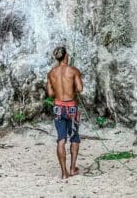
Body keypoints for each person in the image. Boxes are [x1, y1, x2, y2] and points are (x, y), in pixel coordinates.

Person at [47, 47, 83, 179]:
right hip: (71, 108)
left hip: (58, 108)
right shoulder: (73, 71)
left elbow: (50, 93)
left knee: (61, 139)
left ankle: (64, 173)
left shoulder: (51, 73)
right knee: (74, 137)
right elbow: (80, 89)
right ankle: (72, 168)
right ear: (66, 55)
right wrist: (72, 85)